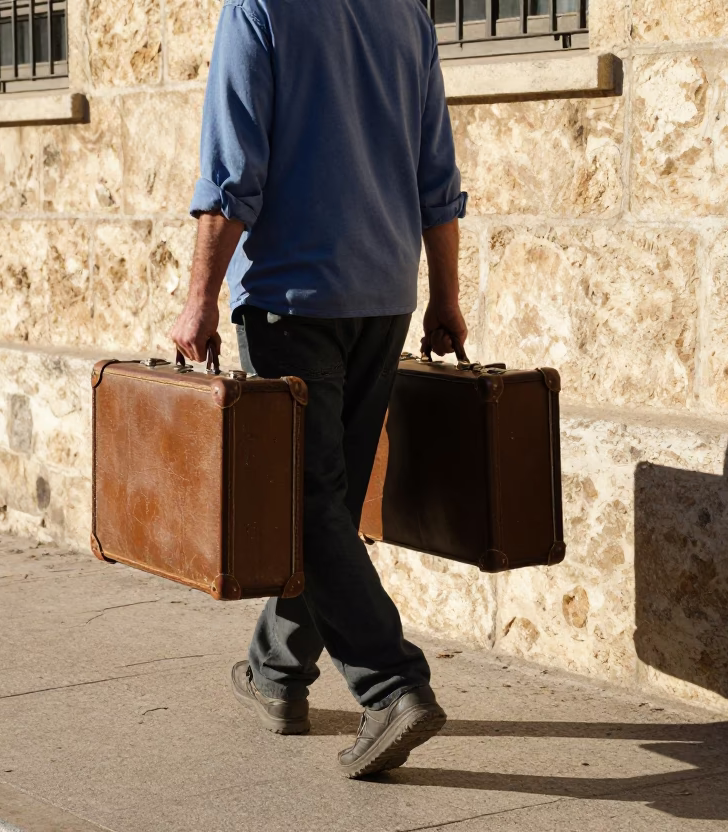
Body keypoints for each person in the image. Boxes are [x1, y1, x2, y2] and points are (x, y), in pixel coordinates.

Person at [169, 0, 469, 779]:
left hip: (291, 299)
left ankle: (391, 685)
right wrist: (445, 295)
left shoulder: (259, 10)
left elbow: (231, 174)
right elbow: (437, 173)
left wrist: (199, 297)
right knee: (325, 507)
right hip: (385, 296)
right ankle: (276, 672)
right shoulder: (407, 16)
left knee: (305, 506)